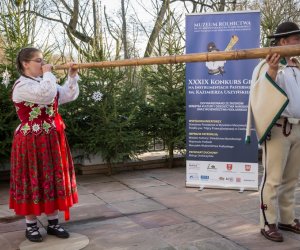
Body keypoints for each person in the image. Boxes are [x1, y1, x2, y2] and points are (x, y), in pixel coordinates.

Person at [9, 47, 80, 242]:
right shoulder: (21, 86)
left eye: (43, 60)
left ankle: (53, 222)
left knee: (53, 176)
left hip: (51, 138)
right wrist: (48, 72)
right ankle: (31, 225)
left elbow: (66, 95)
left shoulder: (44, 82)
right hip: (31, 141)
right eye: (39, 61)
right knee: (32, 178)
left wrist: (71, 77)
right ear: (25, 64)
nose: (43, 64)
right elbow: (46, 95)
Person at [246, 21, 300, 242]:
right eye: (297, 40)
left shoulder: (297, 65)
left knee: (291, 179)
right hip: (277, 130)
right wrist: (273, 69)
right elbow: (260, 98)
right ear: (284, 42)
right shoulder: (264, 66)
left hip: (298, 128)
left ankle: (287, 219)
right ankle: (267, 222)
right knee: (273, 179)